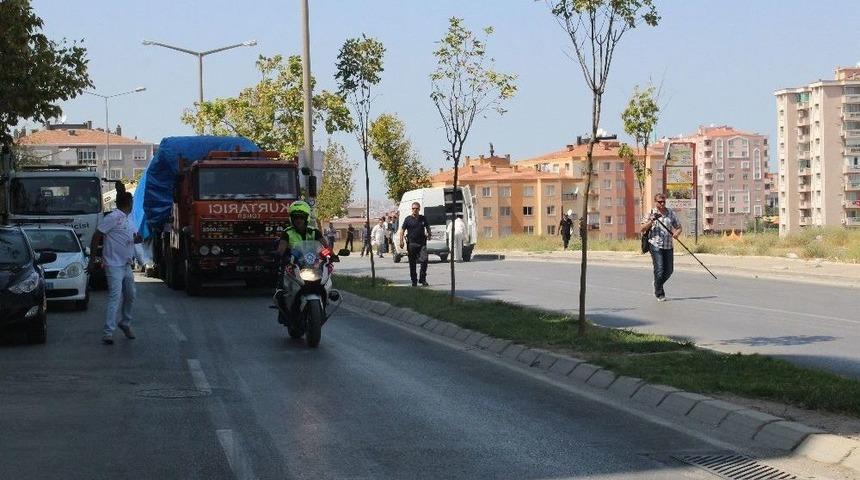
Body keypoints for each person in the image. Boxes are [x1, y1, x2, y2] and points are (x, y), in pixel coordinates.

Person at [88, 191, 141, 345]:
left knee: (131, 295)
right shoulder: (112, 217)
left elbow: (131, 238)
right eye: (131, 203)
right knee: (115, 297)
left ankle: (125, 322)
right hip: (113, 264)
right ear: (128, 203)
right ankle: (108, 332)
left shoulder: (128, 220)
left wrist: (137, 239)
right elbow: (96, 235)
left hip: (126, 264)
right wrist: (92, 259)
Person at [640, 193, 682, 301]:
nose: (662, 203)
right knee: (659, 269)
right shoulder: (650, 213)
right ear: (656, 202)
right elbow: (642, 228)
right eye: (660, 202)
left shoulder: (670, 213)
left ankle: (657, 283)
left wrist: (677, 233)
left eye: (664, 201)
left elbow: (678, 227)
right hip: (655, 244)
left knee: (669, 270)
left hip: (668, 245)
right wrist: (652, 220)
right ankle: (659, 293)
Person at [399, 202, 431, 287]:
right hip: (412, 244)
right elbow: (402, 230)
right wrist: (401, 241)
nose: (415, 210)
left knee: (424, 260)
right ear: (411, 209)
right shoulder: (408, 219)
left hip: (422, 244)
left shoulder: (423, 218)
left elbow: (427, 227)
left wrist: (429, 233)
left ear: (419, 209)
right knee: (412, 263)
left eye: (416, 208)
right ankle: (414, 281)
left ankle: (422, 279)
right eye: (413, 208)